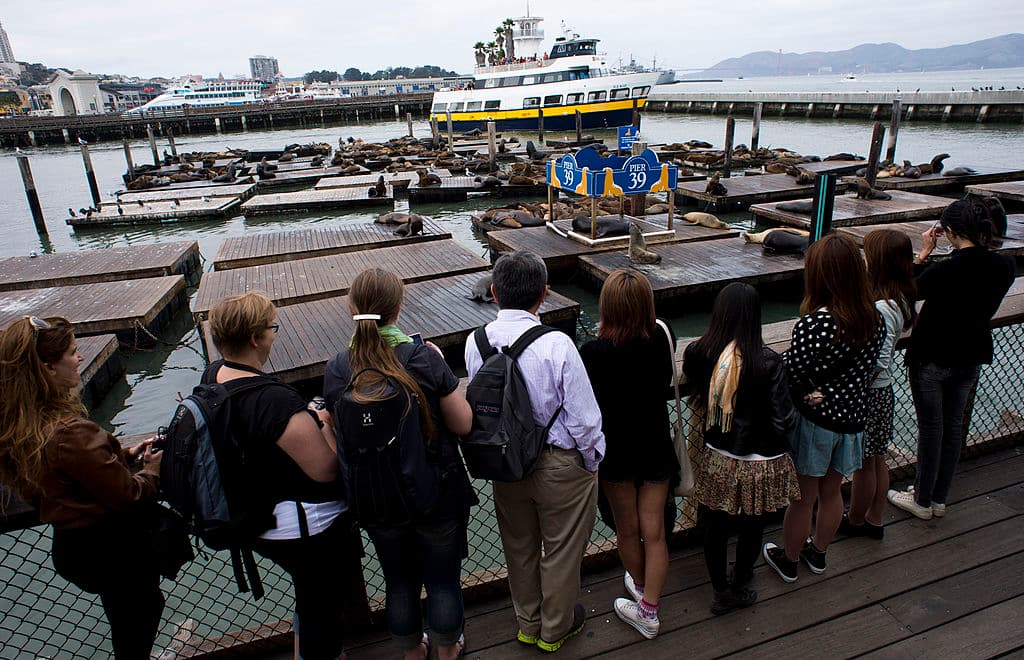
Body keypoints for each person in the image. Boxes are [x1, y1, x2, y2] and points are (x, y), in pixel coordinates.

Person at [324, 268, 476, 660]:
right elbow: (462, 423)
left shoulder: (339, 367)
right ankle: (446, 650)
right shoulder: (423, 357)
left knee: (398, 582)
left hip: (377, 499)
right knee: (443, 582)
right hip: (434, 492)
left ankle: (411, 652)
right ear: (398, 307)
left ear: (352, 307)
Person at [464, 251, 604, 653]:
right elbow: (584, 420)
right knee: (559, 550)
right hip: (560, 463)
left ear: (493, 292)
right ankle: (555, 629)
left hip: (506, 461)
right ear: (544, 295)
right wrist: (591, 460)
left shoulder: (477, 343)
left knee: (519, 545)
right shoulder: (557, 343)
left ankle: (527, 622)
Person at [0, 316, 164, 658]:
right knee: (139, 620)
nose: (79, 359)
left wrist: (121, 455)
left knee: (124, 617)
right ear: (47, 368)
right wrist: (151, 469)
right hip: (112, 549)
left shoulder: (23, 428)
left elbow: (68, 475)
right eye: (72, 353)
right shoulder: (70, 433)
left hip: (73, 546)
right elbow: (130, 496)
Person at [206, 292, 348, 660]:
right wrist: (327, 425)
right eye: (272, 328)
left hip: (250, 517)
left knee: (308, 594)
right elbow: (325, 469)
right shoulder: (272, 399)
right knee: (321, 603)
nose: (274, 334)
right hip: (299, 526)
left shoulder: (212, 377)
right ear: (255, 338)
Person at [763, 233, 884, 583]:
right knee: (832, 492)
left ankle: (789, 559)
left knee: (803, 497)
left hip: (816, 423)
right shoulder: (874, 318)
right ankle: (818, 553)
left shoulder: (815, 324)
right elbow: (869, 365)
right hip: (852, 420)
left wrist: (815, 393)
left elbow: (793, 373)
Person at [887, 199, 1015, 519]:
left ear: (949, 231)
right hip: (971, 356)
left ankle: (921, 500)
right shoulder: (1004, 267)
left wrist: (923, 253)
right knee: (953, 427)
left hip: (931, 357)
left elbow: (909, 292)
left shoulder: (944, 269)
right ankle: (939, 498)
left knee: (931, 430)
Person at [683, 283, 800, 614]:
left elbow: (695, 385)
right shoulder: (769, 362)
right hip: (760, 462)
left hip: (719, 457)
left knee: (715, 527)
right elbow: (783, 422)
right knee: (752, 525)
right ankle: (743, 578)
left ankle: (721, 590)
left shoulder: (699, 354)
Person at [580, 270, 677, 639]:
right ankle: (648, 606)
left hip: (616, 452)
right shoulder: (662, 338)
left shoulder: (592, 353)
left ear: (607, 307)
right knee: (655, 534)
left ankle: (640, 589)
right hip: (655, 445)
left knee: (627, 531)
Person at [841, 230, 916, 538]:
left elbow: (878, 359)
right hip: (882, 391)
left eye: (868, 254)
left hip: (870, 393)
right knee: (878, 457)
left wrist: (852, 387)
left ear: (880, 261)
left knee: (864, 464)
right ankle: (875, 517)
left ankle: (857, 521)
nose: (864, 258)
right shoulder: (900, 295)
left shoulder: (883, 306)